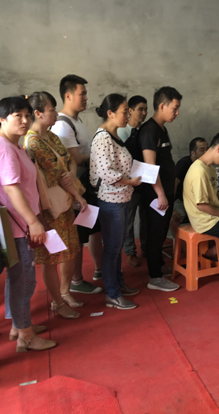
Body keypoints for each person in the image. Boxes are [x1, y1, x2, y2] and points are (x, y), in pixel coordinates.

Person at [0, 95, 57, 351]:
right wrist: (33, 222)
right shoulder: (4, 149)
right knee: (23, 280)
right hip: (19, 226)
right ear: (2, 119)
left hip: (19, 224)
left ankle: (19, 325)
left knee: (18, 277)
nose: (25, 121)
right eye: (18, 116)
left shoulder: (11, 144)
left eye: (27, 115)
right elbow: (12, 189)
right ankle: (25, 335)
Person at [24, 91, 86, 318]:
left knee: (70, 250)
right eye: (52, 110)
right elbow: (56, 174)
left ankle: (65, 292)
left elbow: (69, 161)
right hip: (51, 208)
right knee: (52, 257)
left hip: (65, 202)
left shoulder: (51, 136)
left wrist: (72, 173)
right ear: (38, 113)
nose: (56, 114)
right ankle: (57, 302)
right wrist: (78, 195)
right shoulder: (33, 142)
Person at [51, 75, 103, 294]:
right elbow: (76, 159)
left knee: (93, 229)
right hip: (75, 188)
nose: (86, 98)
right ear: (68, 96)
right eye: (82, 94)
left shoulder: (76, 121)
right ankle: (77, 281)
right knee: (79, 236)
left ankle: (99, 270)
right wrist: (101, 157)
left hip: (85, 186)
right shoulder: (63, 125)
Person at [91, 94, 141, 309]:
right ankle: (112, 294)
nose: (128, 115)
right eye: (124, 111)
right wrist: (131, 181)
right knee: (111, 248)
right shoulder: (103, 138)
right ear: (110, 113)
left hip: (120, 197)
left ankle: (118, 284)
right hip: (111, 200)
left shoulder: (114, 136)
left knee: (116, 246)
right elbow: (107, 172)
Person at [138, 87, 182, 292]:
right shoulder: (149, 131)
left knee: (161, 230)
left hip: (165, 191)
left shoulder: (162, 128)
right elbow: (149, 167)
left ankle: (158, 265)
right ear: (162, 106)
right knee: (155, 233)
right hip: (155, 194)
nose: (177, 113)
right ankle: (154, 277)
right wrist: (160, 193)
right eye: (174, 108)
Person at [183, 132, 219, 283]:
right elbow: (202, 206)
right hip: (204, 220)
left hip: (212, 215)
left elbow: (211, 198)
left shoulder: (209, 168)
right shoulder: (199, 171)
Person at [119, 95, 149, 267]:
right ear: (130, 110)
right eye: (140, 109)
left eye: (146, 110)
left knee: (146, 217)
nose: (144, 113)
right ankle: (130, 251)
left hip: (145, 182)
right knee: (128, 219)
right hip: (129, 184)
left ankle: (145, 246)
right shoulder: (121, 131)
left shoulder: (146, 131)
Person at [169, 137, 209, 239]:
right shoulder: (184, 164)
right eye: (202, 150)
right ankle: (180, 244)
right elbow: (174, 185)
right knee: (173, 217)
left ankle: (205, 243)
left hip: (198, 201)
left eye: (207, 149)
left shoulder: (207, 165)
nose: (206, 152)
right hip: (181, 200)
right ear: (193, 153)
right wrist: (171, 208)